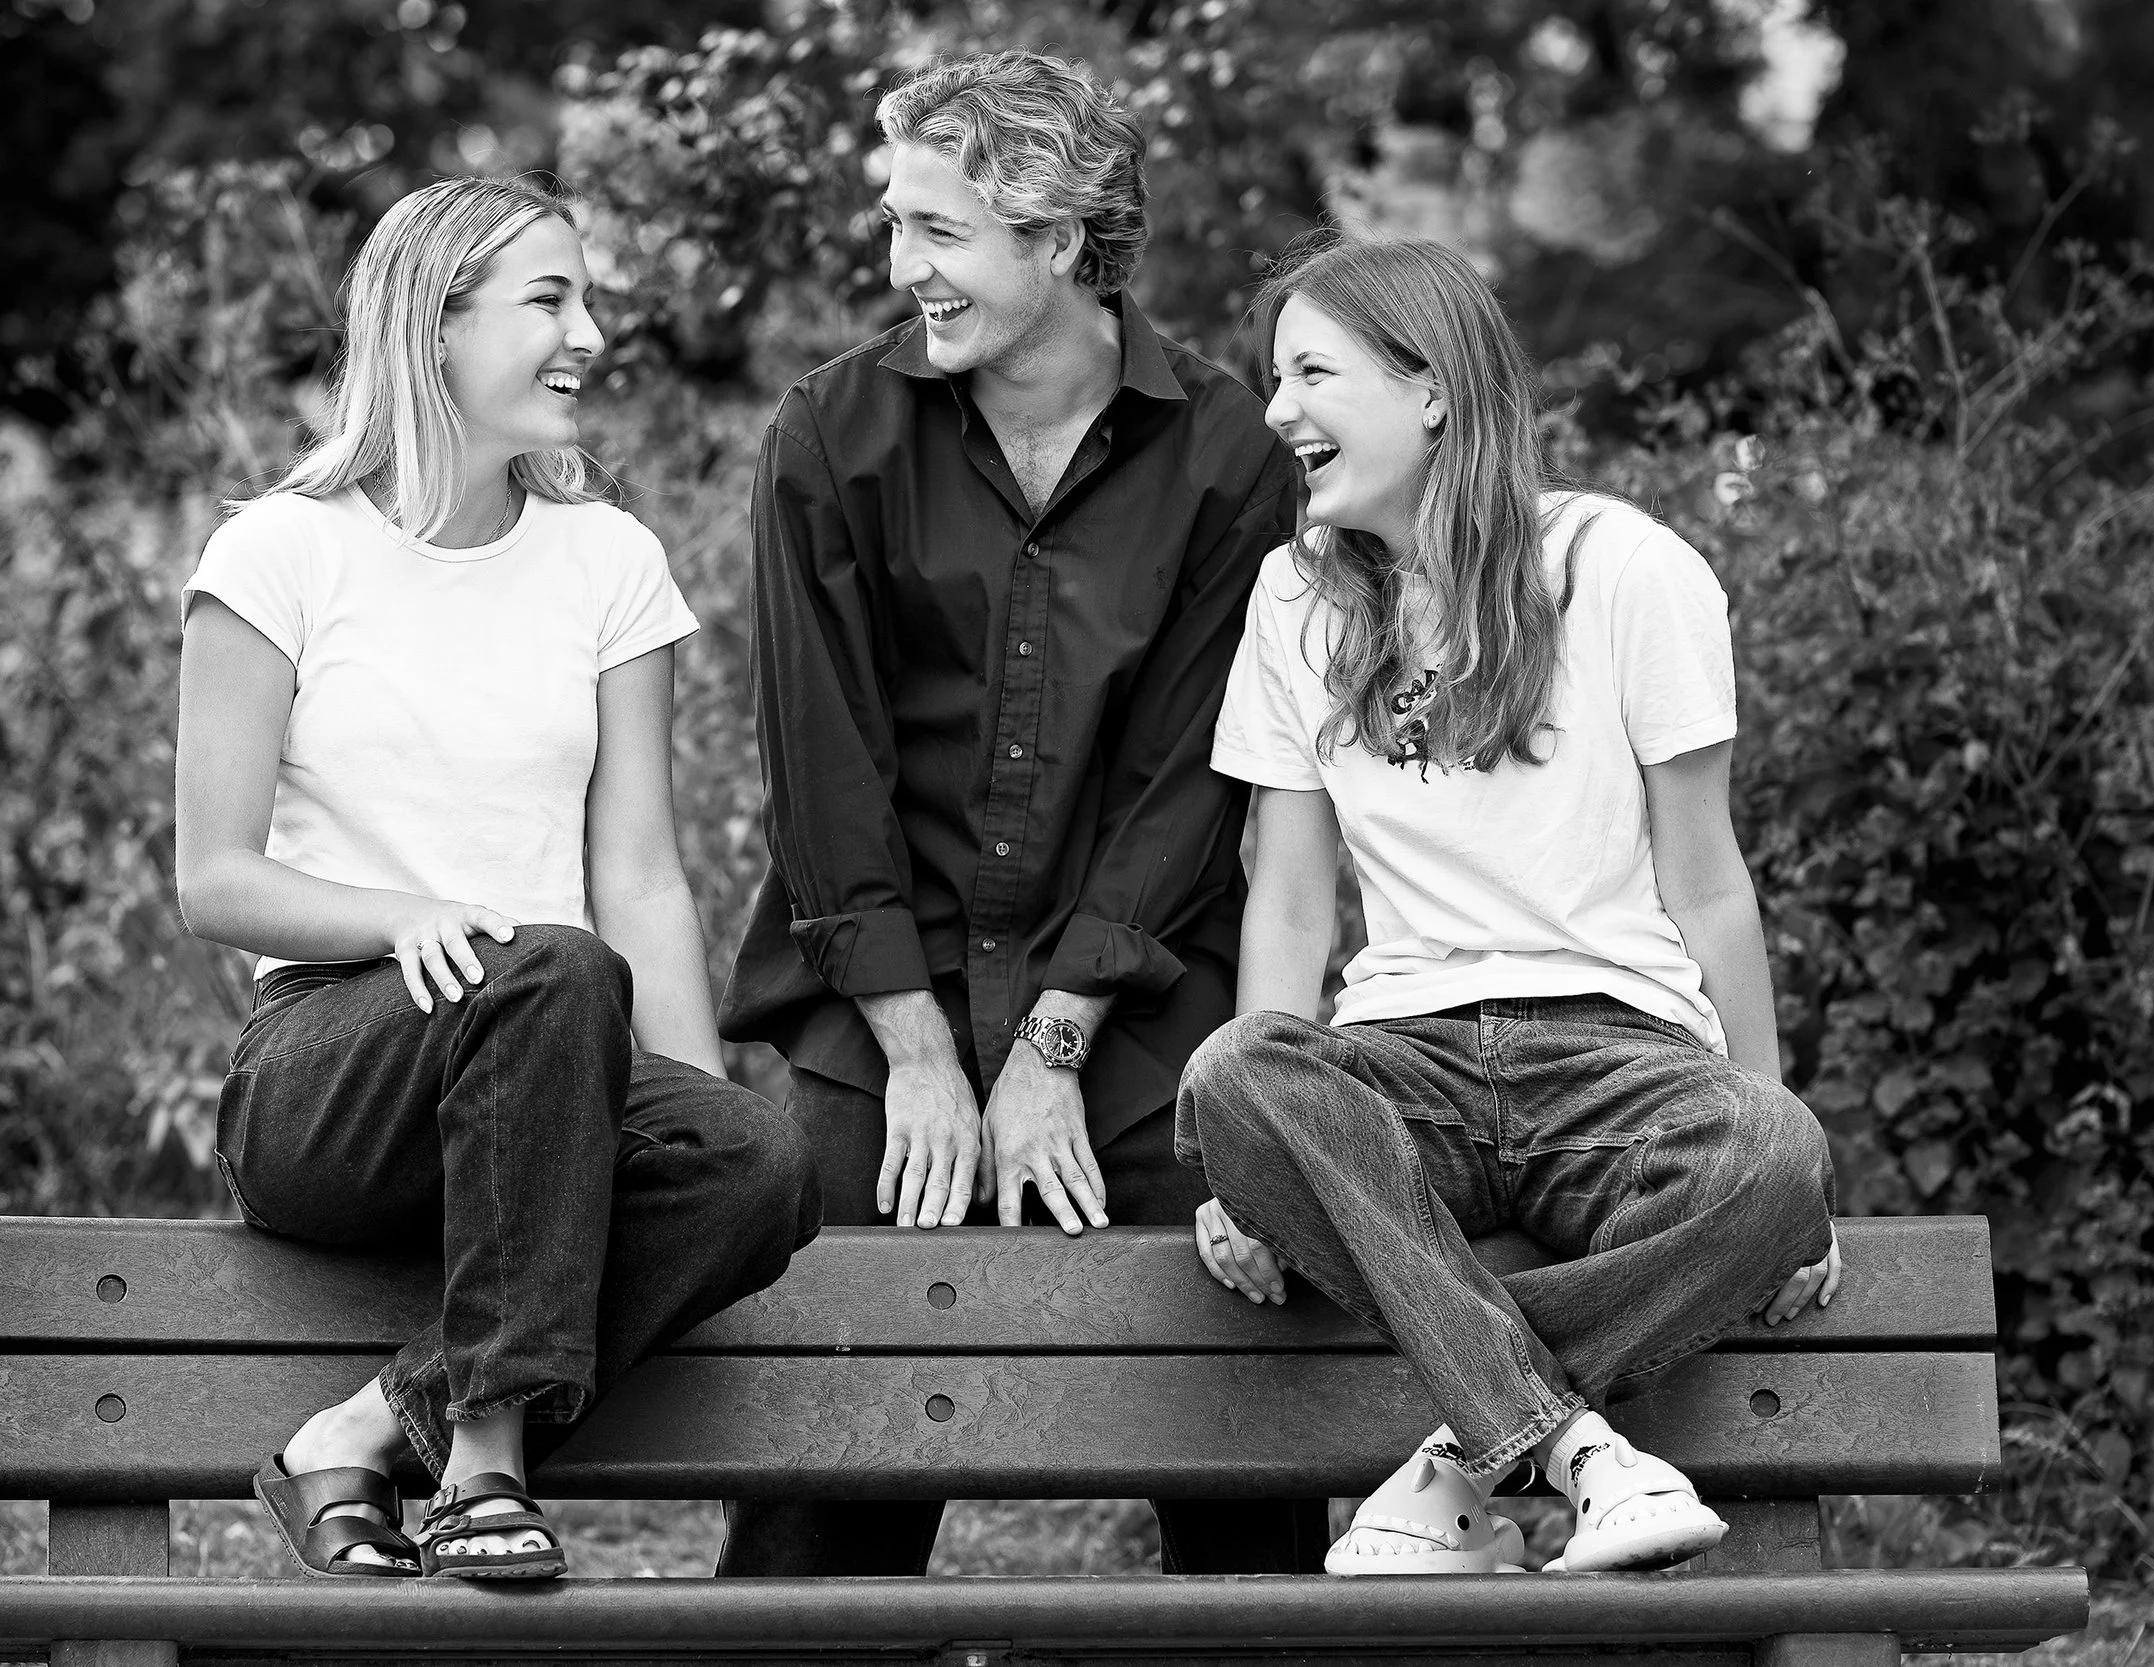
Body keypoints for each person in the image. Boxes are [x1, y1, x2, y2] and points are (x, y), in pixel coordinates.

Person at [714, 50, 1328, 1577]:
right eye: (895, 223)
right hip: (875, 990)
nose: (901, 266)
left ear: (1058, 242)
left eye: (939, 231)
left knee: (1236, 1325)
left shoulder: (1228, 453)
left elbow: (1195, 775)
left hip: (1133, 991)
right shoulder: (829, 437)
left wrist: (1053, 1039)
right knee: (830, 1375)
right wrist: (920, 1055)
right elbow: (821, 766)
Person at [174, 177, 818, 1582]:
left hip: (550, 1053)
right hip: (335, 1071)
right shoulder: (280, 552)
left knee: (759, 1159)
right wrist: (407, 915)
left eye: (588, 299)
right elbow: (212, 879)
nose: (589, 332)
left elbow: (639, 870)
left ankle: (357, 1432)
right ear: (436, 323)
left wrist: (698, 1103)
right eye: (550, 300)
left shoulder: (608, 560)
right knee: (548, 962)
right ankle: (484, 1460)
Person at [1176, 235, 1842, 1577]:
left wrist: (1799, 1192)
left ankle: (1454, 1457)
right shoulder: (1295, 598)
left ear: (1433, 388)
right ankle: (1583, 1451)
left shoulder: (1625, 568)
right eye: (1272, 377)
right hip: (1403, 1061)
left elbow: (1706, 875)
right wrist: (1250, 1168)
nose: (1275, 410)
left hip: (1616, 1054)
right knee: (1237, 1073)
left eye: (1313, 371)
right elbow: (1293, 905)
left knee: (1769, 1151)